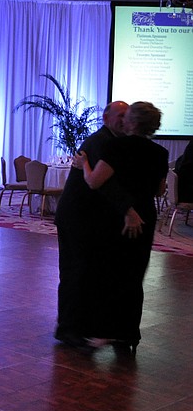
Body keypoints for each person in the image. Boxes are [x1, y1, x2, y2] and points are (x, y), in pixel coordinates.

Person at [79, 101, 168, 353]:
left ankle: (106, 332)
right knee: (134, 274)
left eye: (126, 116)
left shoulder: (114, 146)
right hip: (145, 216)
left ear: (132, 122)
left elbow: (94, 182)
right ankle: (128, 334)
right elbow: (160, 190)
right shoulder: (160, 152)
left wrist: (83, 163)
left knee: (111, 272)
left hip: (117, 217)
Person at [54, 101, 134, 349]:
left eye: (127, 116)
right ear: (106, 117)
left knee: (83, 272)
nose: (124, 120)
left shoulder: (110, 142)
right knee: (76, 272)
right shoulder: (102, 142)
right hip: (77, 218)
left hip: (85, 218)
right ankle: (69, 330)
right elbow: (101, 184)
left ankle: (76, 327)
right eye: (120, 115)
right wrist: (128, 209)